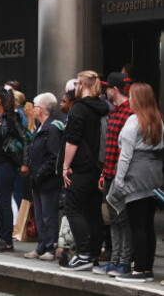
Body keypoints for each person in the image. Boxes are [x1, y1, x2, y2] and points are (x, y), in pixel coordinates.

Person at [107, 83, 163, 283]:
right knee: (148, 224)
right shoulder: (158, 120)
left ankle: (138, 270)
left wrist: (119, 181)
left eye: (131, 96)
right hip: (154, 176)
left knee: (136, 224)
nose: (128, 99)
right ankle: (147, 268)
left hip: (136, 176)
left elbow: (125, 157)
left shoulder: (133, 121)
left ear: (137, 99)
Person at [60, 71, 109, 271]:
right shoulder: (102, 108)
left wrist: (65, 166)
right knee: (93, 211)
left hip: (81, 167)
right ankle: (94, 254)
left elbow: (73, 139)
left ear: (82, 85)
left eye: (78, 84)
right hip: (98, 166)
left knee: (71, 208)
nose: (75, 88)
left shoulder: (79, 108)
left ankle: (84, 253)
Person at [93, 72, 133, 276]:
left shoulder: (129, 113)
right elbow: (109, 147)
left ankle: (124, 261)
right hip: (109, 173)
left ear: (115, 89)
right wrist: (104, 173)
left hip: (121, 175)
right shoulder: (115, 112)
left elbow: (126, 150)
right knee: (114, 220)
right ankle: (116, 259)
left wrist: (118, 174)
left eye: (107, 88)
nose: (104, 91)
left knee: (122, 219)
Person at [0, 87, 30, 253]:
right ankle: (1, 236)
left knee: (4, 201)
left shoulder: (12, 118)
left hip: (7, 165)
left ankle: (7, 240)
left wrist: (24, 163)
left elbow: (25, 138)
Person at [24, 92, 63, 261]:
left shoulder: (52, 128)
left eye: (34, 105)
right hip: (38, 180)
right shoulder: (40, 127)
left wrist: (39, 174)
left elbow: (53, 157)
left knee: (48, 215)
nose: (32, 108)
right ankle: (41, 246)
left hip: (47, 180)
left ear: (41, 108)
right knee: (39, 215)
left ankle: (50, 248)